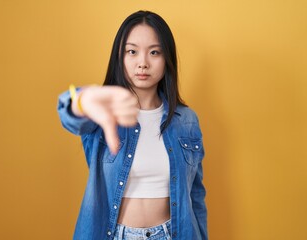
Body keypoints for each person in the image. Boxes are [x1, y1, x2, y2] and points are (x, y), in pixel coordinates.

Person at [57, 10, 207, 240]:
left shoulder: (186, 120)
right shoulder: (103, 113)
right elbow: (70, 114)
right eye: (132, 51)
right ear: (120, 56)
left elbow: (196, 195)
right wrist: (82, 100)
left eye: (154, 52)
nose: (143, 63)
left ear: (167, 58)